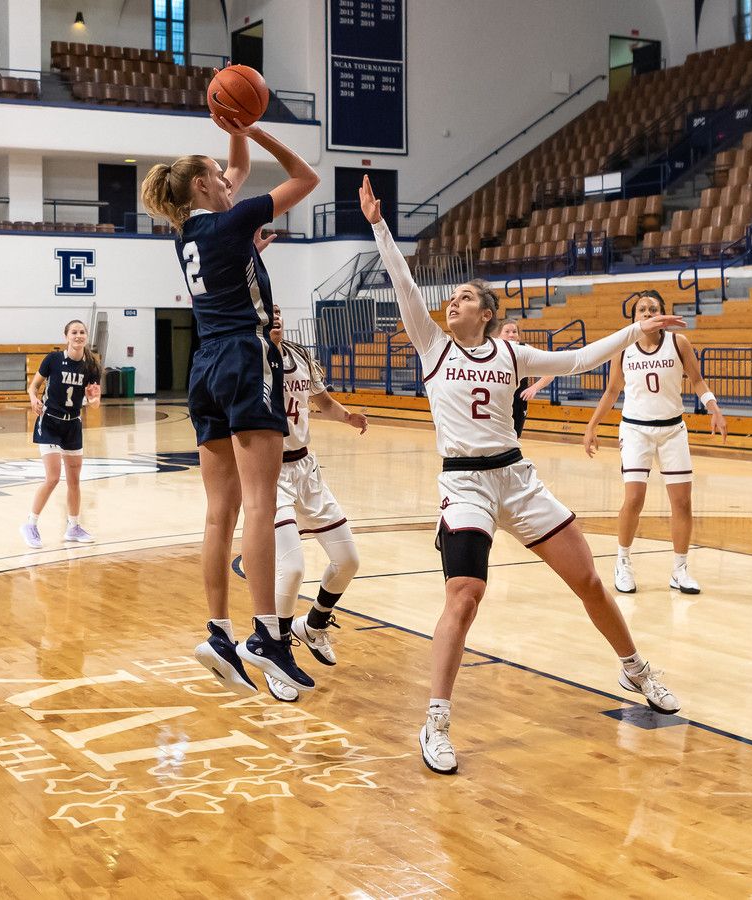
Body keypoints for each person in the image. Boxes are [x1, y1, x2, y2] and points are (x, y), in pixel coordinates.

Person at [360, 175, 684, 776]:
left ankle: (634, 666)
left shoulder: (512, 354)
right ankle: (435, 720)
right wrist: (379, 226)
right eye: (450, 299)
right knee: (466, 595)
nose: (449, 304)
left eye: (462, 299)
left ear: (486, 313)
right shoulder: (432, 347)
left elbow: (583, 358)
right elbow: (404, 286)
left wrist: (636, 332)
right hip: (465, 485)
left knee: (588, 579)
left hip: (516, 479)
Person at [141, 115, 320, 696]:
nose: (230, 178)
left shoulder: (189, 234)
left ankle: (219, 631)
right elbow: (306, 176)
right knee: (262, 505)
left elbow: (235, 169)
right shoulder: (230, 223)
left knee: (220, 513)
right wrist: (258, 128)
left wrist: (233, 129)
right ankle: (267, 635)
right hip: (245, 358)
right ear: (201, 187)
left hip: (205, 366)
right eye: (218, 176)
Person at [582, 289, 728, 595]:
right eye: (641, 310)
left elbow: (697, 380)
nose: (647, 314)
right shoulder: (624, 348)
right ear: (635, 318)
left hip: (673, 430)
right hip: (635, 430)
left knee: (682, 502)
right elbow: (612, 391)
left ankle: (680, 570)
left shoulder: (679, 343)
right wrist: (592, 425)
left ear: (663, 315)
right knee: (634, 499)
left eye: (652, 309)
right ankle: (622, 562)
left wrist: (714, 408)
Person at [264, 304, 367, 702]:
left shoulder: (301, 354)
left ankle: (314, 623)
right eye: (264, 311)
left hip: (306, 468)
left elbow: (321, 401)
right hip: (270, 472)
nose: (272, 316)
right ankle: (274, 652)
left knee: (349, 560)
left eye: (275, 310)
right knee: (291, 569)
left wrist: (348, 417)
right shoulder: (248, 354)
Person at [20, 319, 102, 548]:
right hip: (50, 423)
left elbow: (95, 404)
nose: (78, 336)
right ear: (66, 336)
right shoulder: (53, 360)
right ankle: (30, 524)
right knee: (54, 477)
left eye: (82, 332)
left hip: (73, 425)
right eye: (74, 332)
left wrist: (93, 399)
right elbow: (33, 386)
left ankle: (73, 526)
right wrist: (34, 399)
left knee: (74, 481)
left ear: (86, 336)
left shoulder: (91, 366)